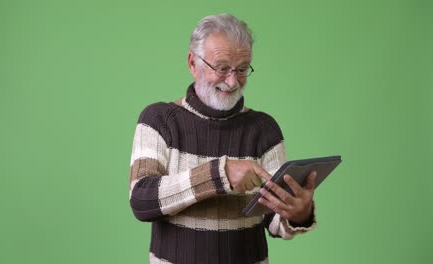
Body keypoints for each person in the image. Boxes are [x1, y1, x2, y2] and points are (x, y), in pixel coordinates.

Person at [129, 14, 317, 264]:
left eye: (241, 69)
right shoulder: (159, 120)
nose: (232, 81)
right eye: (221, 68)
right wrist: (220, 174)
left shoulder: (264, 129)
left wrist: (298, 214)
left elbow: (273, 220)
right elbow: (142, 200)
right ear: (192, 63)